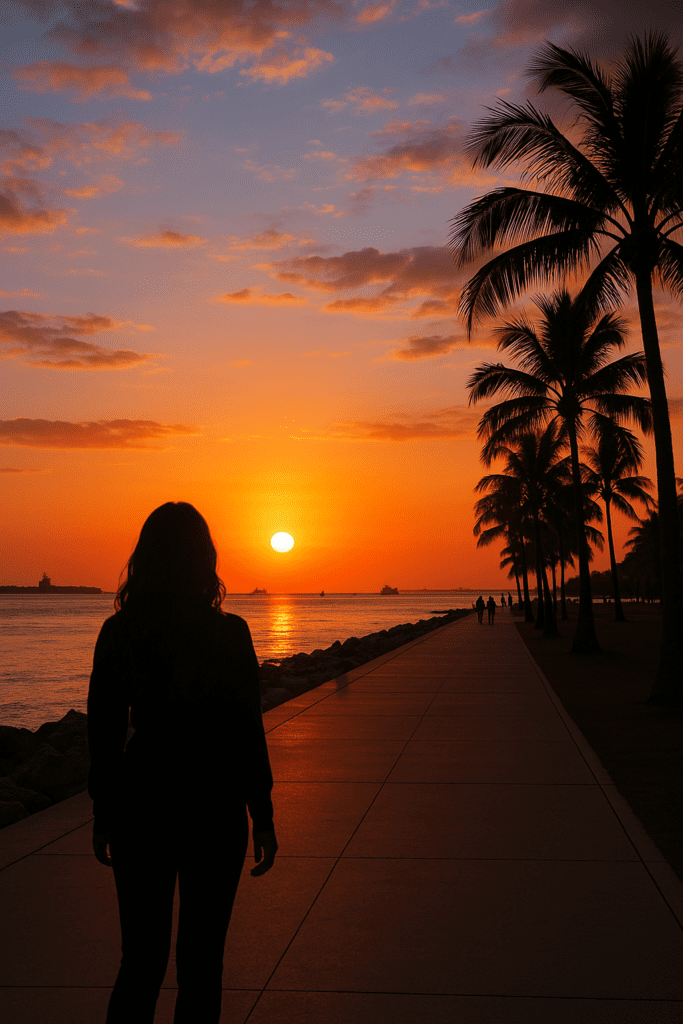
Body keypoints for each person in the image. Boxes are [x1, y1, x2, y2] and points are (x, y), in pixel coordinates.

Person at [87, 502, 277, 1024]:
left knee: (141, 963)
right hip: (213, 806)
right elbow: (246, 730)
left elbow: (102, 733)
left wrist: (104, 810)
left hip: (142, 802)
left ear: (144, 560)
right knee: (201, 966)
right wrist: (261, 812)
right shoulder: (230, 634)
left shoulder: (120, 633)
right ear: (204, 560)